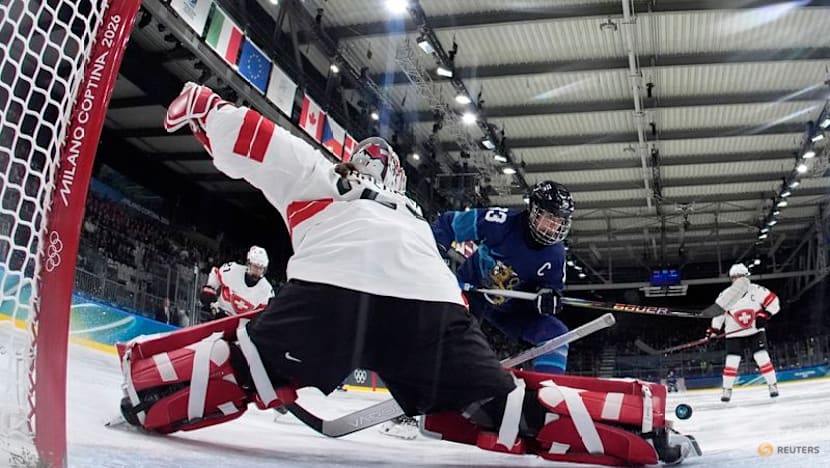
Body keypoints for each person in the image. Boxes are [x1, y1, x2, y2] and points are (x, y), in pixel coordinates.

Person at [114, 83, 697, 466]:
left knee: (243, 363)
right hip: (432, 308)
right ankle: (647, 434)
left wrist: (201, 109)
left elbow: (262, 142)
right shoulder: (413, 216)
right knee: (508, 408)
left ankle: (146, 393)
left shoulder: (330, 181)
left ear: (356, 165)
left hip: (330, 297)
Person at [431, 180, 574, 374]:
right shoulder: (499, 222)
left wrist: (547, 299)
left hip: (511, 310)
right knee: (458, 341)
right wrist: (435, 256)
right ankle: (441, 376)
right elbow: (448, 224)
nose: (553, 226)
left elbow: (551, 290)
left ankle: (547, 394)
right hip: (470, 293)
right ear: (533, 210)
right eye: (549, 217)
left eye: (559, 221)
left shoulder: (555, 256)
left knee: (557, 335)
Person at [703, 263, 780, 402]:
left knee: (762, 357)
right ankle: (727, 390)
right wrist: (714, 331)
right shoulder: (725, 295)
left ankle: (772, 385)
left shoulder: (757, 290)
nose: (737, 280)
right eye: (734, 278)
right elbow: (718, 316)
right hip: (734, 333)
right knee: (732, 361)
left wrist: (765, 315)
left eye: (739, 277)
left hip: (755, 331)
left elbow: (774, 302)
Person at [198, 246, 275, 321]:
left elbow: (266, 314)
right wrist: (210, 289)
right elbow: (216, 273)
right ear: (248, 264)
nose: (257, 271)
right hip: (220, 314)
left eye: (261, 268)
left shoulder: (267, 291)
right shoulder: (233, 270)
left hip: (242, 326)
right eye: (255, 266)